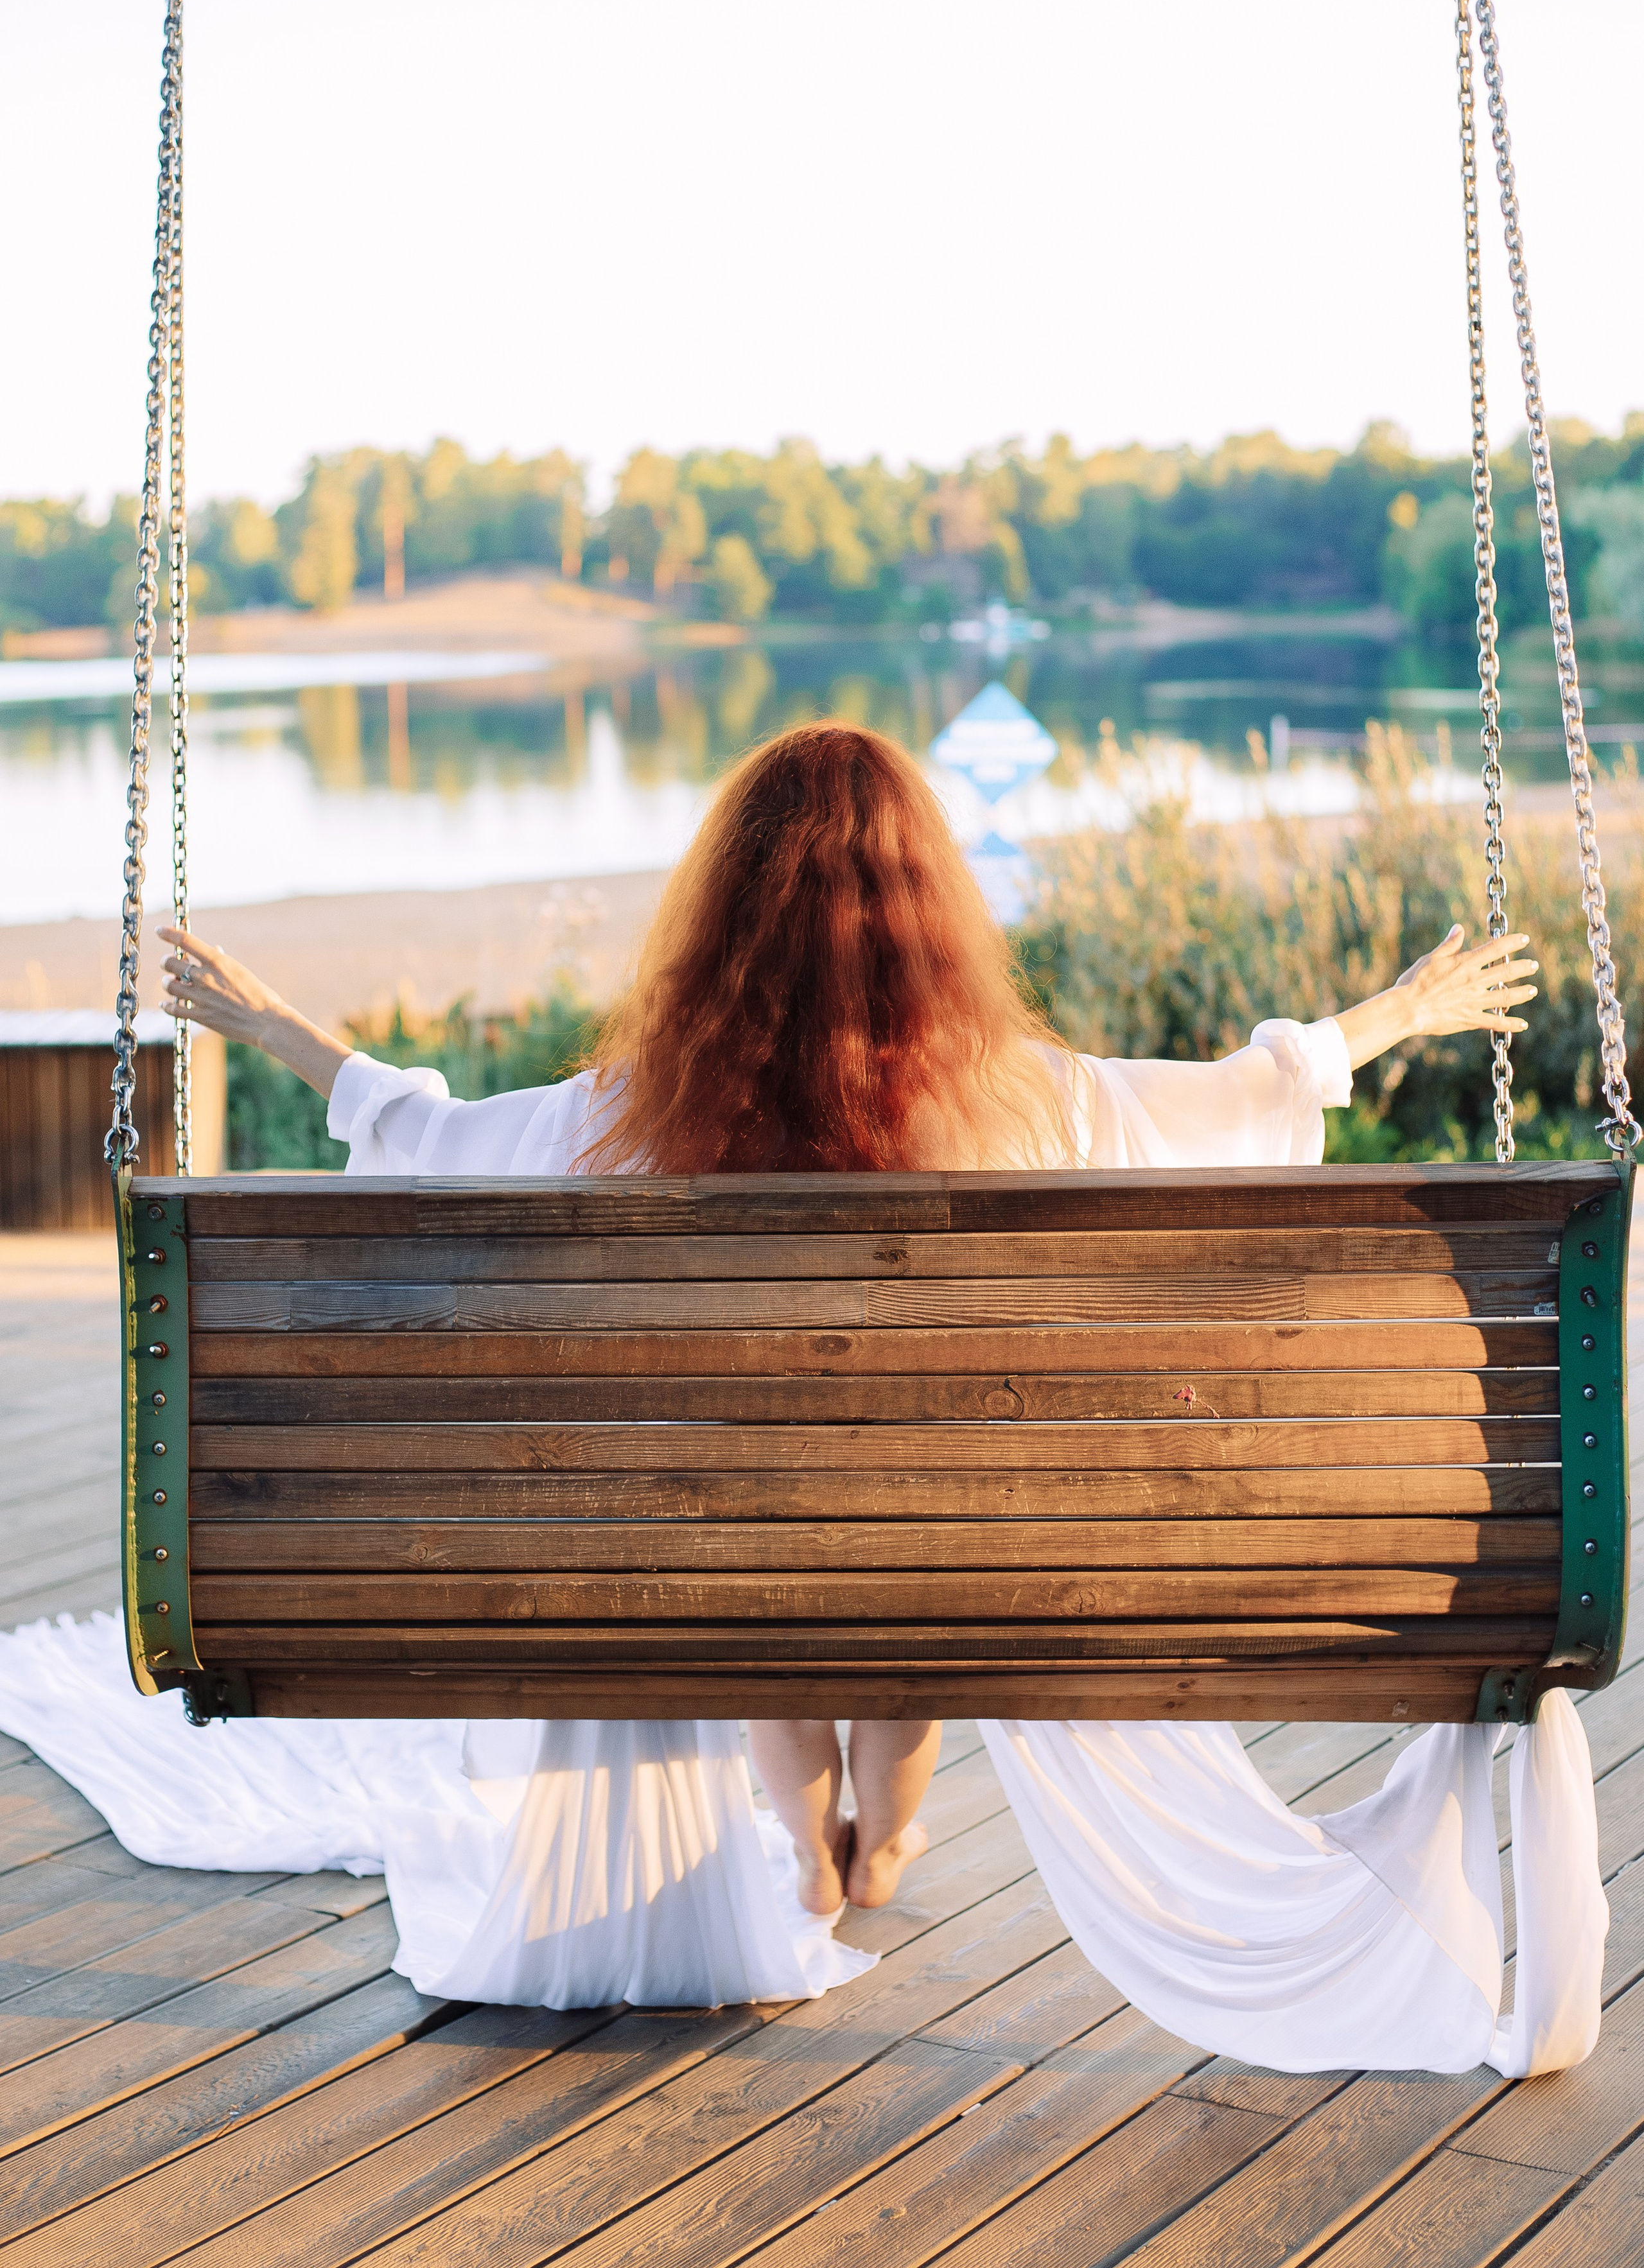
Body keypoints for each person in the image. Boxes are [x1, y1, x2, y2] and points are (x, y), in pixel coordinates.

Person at [151, 720, 1540, 1933]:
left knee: (755, 1546)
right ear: (925, 906)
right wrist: (1390, 1016)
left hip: (724, 1555)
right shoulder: (1029, 1095)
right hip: (950, 1551)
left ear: (724, 916)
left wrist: (280, 1031)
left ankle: (810, 1854)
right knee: (917, 1533)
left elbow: (442, 1139)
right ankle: (885, 1835)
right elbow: (1234, 1100)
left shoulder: (635, 1110)